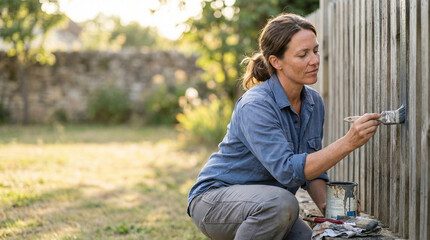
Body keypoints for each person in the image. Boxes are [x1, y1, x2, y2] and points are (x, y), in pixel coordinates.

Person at [187, 13, 381, 240]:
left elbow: (311, 166)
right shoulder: (256, 105)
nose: (315, 60)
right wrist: (348, 143)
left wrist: (327, 206)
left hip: (268, 204)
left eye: (315, 51)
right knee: (282, 202)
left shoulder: (313, 102)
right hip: (215, 201)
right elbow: (288, 170)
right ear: (275, 62)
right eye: (303, 54)